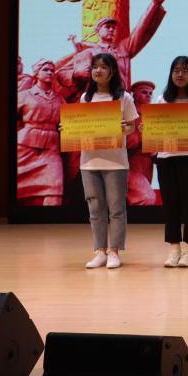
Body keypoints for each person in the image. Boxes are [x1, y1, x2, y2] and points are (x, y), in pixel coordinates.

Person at [76, 53, 138, 269]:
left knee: (116, 209)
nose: (98, 71)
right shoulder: (85, 98)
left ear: (112, 72)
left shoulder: (123, 97)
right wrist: (68, 128)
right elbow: (80, 126)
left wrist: (124, 128)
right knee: (95, 208)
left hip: (116, 162)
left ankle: (114, 251)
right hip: (89, 161)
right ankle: (100, 251)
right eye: (95, 67)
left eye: (103, 67)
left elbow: (132, 126)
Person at [153, 56, 188, 268]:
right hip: (166, 159)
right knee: (171, 205)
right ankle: (174, 249)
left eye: (185, 71)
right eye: (176, 70)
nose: (180, 74)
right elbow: (155, 132)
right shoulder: (162, 100)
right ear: (171, 74)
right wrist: (148, 129)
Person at [16, 60, 64, 206]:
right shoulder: (24, 95)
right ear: (36, 74)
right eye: (45, 69)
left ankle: (51, 218)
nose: (50, 72)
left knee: (55, 186)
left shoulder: (60, 99)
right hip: (25, 148)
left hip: (51, 150)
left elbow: (74, 121)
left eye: (52, 70)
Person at [125, 80, 158, 205]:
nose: (148, 95)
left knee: (141, 198)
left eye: (150, 93)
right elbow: (127, 142)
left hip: (147, 163)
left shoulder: (154, 116)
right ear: (134, 94)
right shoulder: (129, 113)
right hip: (132, 162)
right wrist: (140, 135)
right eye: (144, 92)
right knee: (145, 196)